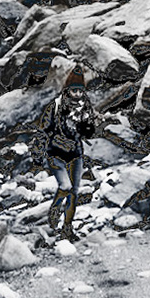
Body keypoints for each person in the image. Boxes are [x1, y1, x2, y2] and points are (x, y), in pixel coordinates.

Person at [40, 69, 98, 241]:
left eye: (80, 91)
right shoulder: (56, 106)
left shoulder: (86, 108)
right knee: (65, 187)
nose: (78, 94)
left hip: (75, 154)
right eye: (74, 90)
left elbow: (89, 134)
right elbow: (44, 129)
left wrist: (88, 124)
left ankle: (67, 228)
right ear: (67, 90)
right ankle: (54, 211)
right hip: (56, 153)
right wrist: (42, 152)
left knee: (73, 192)